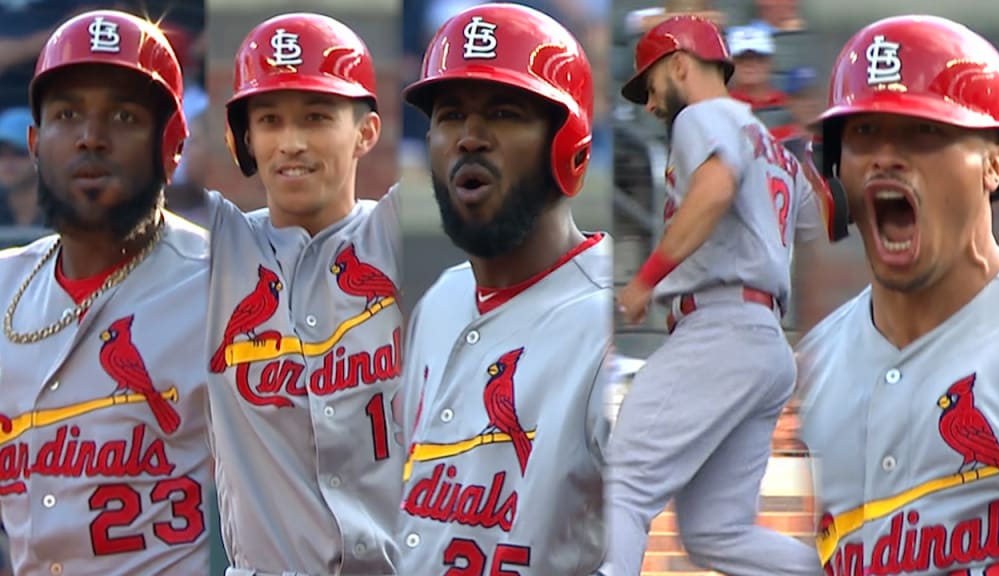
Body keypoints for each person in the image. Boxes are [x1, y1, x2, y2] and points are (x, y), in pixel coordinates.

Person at [608, 14, 845, 576]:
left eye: (649, 84)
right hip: (763, 341)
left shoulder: (702, 115)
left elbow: (716, 188)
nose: (647, 103)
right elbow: (825, 220)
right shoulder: (772, 143)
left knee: (620, 477)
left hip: (720, 325)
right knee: (716, 532)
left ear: (680, 64)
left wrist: (646, 279)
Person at [797, 15, 999, 575]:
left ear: (994, 164)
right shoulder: (809, 370)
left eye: (925, 132)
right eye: (863, 133)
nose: (885, 157)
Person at [396, 3, 612, 574]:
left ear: (568, 148)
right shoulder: (440, 301)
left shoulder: (616, 324)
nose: (470, 138)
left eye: (504, 111)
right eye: (449, 115)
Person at [0, 9, 211, 575]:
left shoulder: (229, 286)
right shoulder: (3, 287)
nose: (91, 137)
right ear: (37, 143)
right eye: (68, 114)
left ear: (172, 143)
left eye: (123, 115)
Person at [204, 12, 402, 576]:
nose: (290, 142)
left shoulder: (395, 233)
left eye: (316, 117)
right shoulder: (216, 250)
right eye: (268, 120)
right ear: (245, 138)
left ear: (366, 132)